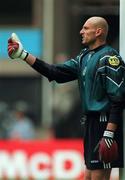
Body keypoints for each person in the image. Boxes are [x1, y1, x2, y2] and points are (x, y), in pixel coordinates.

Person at [8, 16, 124, 180]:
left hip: (103, 124)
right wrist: (22, 54)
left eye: (85, 28)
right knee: (89, 176)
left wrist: (109, 133)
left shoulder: (109, 59)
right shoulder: (84, 57)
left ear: (98, 32)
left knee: (99, 177)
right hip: (90, 123)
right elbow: (54, 72)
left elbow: (118, 99)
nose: (81, 31)